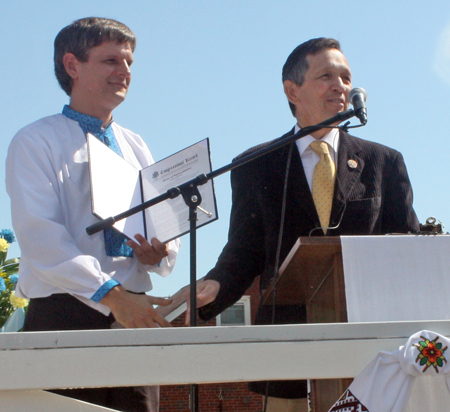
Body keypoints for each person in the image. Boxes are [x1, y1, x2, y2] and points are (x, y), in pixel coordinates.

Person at [190, 38, 420, 412]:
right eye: (326, 76)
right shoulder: (256, 164)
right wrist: (215, 284)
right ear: (292, 90)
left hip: (369, 345)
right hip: (287, 344)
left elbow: (405, 245)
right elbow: (245, 248)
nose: (340, 86)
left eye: (346, 77)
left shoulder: (384, 162)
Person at [6, 17, 180, 412]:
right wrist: (111, 296)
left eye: (129, 63)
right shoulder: (35, 141)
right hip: (65, 311)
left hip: (134, 313)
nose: (125, 72)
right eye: (111, 61)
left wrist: (158, 251)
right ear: (72, 66)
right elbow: (40, 237)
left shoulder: (136, 145)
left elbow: (164, 226)